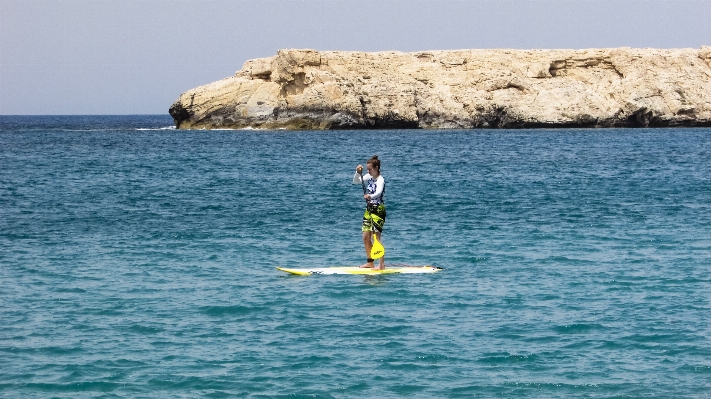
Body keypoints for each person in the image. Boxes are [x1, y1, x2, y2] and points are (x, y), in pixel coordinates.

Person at [353, 155, 386, 270]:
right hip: (369, 209)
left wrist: (369, 196)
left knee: (376, 237)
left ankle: (381, 265)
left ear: (376, 168)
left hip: (378, 210)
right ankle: (370, 262)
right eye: (367, 169)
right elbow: (356, 181)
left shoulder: (380, 179)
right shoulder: (369, 176)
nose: (368, 171)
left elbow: (378, 192)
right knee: (366, 236)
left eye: (370, 169)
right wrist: (357, 172)